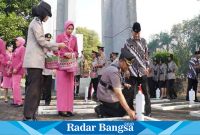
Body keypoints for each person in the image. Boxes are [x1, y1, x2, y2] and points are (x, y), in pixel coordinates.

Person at [23, 1, 65, 120]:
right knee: (33, 90)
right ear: (42, 12)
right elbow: (42, 41)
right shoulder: (35, 23)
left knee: (37, 90)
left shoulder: (38, 23)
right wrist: (58, 45)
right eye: (47, 14)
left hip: (37, 62)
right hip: (34, 62)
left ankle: (32, 114)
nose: (47, 17)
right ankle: (28, 116)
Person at [95, 48, 136, 119]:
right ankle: (100, 109)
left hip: (109, 91)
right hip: (105, 95)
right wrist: (128, 110)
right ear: (122, 61)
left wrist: (124, 84)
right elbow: (118, 93)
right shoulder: (114, 71)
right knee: (120, 113)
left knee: (130, 89)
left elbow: (117, 80)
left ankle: (129, 109)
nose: (128, 67)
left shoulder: (118, 66)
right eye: (127, 65)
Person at [123, 22, 151, 116]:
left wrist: (147, 67)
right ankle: (131, 111)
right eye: (135, 33)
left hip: (142, 71)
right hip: (131, 71)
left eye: (138, 32)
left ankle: (148, 112)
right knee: (131, 93)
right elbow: (125, 57)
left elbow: (146, 56)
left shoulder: (144, 41)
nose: (137, 34)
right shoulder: (127, 42)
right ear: (132, 32)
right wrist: (126, 70)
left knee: (146, 92)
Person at [55, 20, 78, 117]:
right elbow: (55, 50)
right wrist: (64, 54)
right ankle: (61, 109)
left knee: (70, 88)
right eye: (69, 28)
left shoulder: (74, 38)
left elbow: (77, 52)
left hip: (71, 66)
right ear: (65, 28)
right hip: (61, 67)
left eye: (72, 29)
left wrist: (72, 54)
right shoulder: (60, 37)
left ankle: (69, 109)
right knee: (62, 89)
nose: (70, 30)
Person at [11, 37, 26, 107]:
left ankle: (19, 102)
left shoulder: (22, 48)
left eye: (17, 41)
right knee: (14, 86)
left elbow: (22, 60)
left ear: (21, 41)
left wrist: (16, 68)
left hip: (18, 71)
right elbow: (13, 60)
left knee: (16, 86)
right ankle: (15, 101)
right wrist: (10, 69)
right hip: (14, 70)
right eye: (16, 41)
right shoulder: (16, 49)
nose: (16, 42)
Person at [41, 33, 54, 105]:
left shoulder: (52, 46)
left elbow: (54, 55)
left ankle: (47, 100)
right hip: (42, 68)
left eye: (49, 39)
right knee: (41, 85)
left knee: (48, 86)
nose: (48, 41)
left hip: (49, 69)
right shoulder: (42, 46)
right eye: (47, 39)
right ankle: (42, 97)